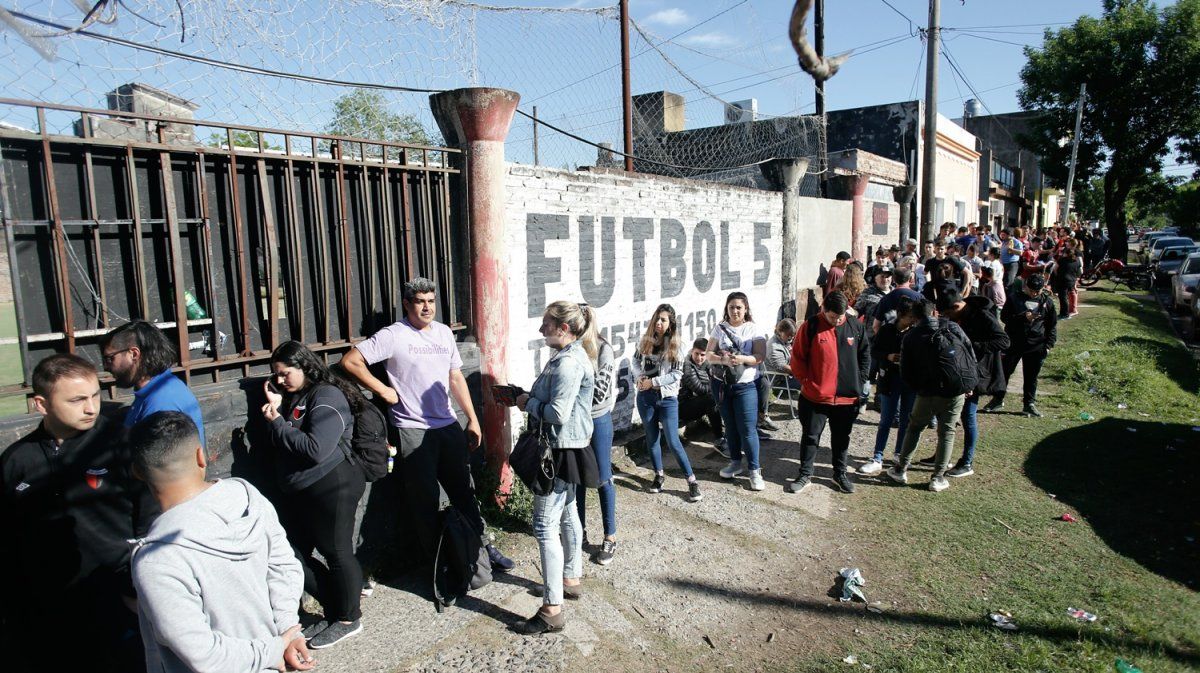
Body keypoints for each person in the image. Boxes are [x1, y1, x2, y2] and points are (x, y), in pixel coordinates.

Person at [340, 278, 512, 572]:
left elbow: (455, 377)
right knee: (424, 501)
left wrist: (471, 418)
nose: (427, 307)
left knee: (463, 492)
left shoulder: (444, 333)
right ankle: (437, 563)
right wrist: (383, 390)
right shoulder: (393, 335)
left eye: (431, 301)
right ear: (407, 304)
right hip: (412, 430)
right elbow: (351, 362)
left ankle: (482, 546)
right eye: (420, 301)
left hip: (447, 425)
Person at [0, 354, 156, 672]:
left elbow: (152, 517)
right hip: (49, 611)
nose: (91, 407)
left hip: (119, 602)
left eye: (95, 396)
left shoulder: (120, 446)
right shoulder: (17, 461)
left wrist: (138, 585)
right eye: (77, 399)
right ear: (41, 404)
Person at [128, 412, 314, 673]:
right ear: (200, 456)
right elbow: (285, 566)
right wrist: (286, 631)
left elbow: (204, 656)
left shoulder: (156, 558)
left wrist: (275, 647)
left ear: (137, 471)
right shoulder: (247, 498)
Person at [261, 341, 365, 649]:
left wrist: (277, 422)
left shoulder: (326, 395)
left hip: (333, 483)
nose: (280, 380)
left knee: (337, 552)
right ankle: (336, 607)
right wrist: (279, 409)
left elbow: (316, 449)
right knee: (292, 553)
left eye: (285, 373)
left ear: (305, 366)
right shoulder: (297, 397)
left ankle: (349, 618)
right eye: (275, 375)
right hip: (304, 489)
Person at [514, 301, 599, 635]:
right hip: (569, 449)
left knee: (543, 525)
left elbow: (558, 413)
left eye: (547, 323)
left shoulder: (568, 363)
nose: (541, 329)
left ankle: (551, 609)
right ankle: (570, 578)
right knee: (567, 515)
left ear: (564, 328)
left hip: (559, 452)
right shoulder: (570, 356)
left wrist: (526, 402)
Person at [885, 299, 977, 492]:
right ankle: (938, 477)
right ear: (934, 312)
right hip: (954, 391)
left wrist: (917, 388)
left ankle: (901, 469)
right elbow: (969, 354)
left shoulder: (911, 337)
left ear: (915, 317)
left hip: (926, 392)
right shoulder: (952, 327)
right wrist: (968, 383)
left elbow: (906, 370)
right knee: (947, 432)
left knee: (915, 427)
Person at [788, 291, 869, 494]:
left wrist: (859, 382)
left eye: (840, 317)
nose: (837, 320)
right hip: (815, 398)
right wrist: (807, 382)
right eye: (833, 317)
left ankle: (840, 474)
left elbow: (865, 355)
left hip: (846, 399)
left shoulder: (856, 326)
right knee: (810, 437)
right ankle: (805, 474)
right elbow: (797, 358)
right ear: (824, 309)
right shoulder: (811, 326)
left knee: (841, 439)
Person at [932, 290, 1009, 478]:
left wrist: (971, 346)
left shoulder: (982, 315)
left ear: (956, 306)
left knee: (968, 416)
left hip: (977, 374)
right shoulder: (964, 313)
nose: (948, 318)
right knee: (948, 412)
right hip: (961, 370)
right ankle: (942, 455)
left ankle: (967, 462)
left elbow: (1003, 341)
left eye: (948, 314)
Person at [632, 304, 703, 502]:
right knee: (652, 437)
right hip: (646, 398)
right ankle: (658, 475)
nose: (659, 323)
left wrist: (652, 382)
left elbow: (677, 374)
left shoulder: (677, 345)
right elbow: (635, 361)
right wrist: (639, 378)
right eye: (657, 318)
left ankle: (691, 481)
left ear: (671, 323)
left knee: (673, 440)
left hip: (667, 399)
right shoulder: (646, 341)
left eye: (663, 320)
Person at [100, 320, 205, 446]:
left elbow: (159, 463)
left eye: (110, 358)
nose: (105, 367)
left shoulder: (161, 403)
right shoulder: (159, 388)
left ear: (133, 354)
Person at [707, 292, 768, 491]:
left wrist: (742, 359)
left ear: (746, 309)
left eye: (739, 307)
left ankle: (754, 470)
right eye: (731, 307)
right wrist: (722, 359)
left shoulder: (753, 329)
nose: (735, 311)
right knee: (730, 426)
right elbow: (708, 354)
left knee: (748, 429)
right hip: (722, 385)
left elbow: (760, 356)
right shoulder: (719, 328)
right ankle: (735, 462)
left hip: (745, 385)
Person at [858, 296, 918, 476]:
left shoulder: (915, 332)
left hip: (909, 382)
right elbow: (874, 351)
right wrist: (888, 357)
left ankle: (899, 454)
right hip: (889, 381)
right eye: (909, 317)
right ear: (900, 315)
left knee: (906, 421)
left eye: (914, 317)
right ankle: (877, 457)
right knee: (885, 420)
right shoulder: (886, 330)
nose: (912, 321)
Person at [983, 274, 1058, 417]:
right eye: (1032, 290)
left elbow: (1052, 325)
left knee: (1031, 376)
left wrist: (1048, 345)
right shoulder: (1014, 298)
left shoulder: (1047, 302)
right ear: (1026, 287)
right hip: (1014, 342)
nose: (1034, 293)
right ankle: (997, 399)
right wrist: (1023, 317)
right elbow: (1005, 318)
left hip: (1037, 345)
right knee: (1005, 372)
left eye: (1038, 291)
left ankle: (1029, 404)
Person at [579, 333, 618, 565]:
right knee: (578, 479)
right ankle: (579, 531)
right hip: (576, 421)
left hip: (598, 419)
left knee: (604, 478)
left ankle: (610, 536)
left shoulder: (603, 348)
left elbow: (600, 392)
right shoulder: (568, 347)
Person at [679, 338, 725, 455]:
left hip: (698, 401)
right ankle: (719, 438)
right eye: (696, 354)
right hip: (683, 406)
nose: (699, 358)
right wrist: (716, 385)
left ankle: (734, 431)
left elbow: (720, 377)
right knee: (711, 399)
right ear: (692, 351)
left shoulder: (708, 362)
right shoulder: (687, 367)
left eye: (702, 355)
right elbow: (700, 390)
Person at [871, 267, 922, 336]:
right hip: (913, 340)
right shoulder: (919, 297)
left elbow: (875, 326)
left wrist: (882, 341)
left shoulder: (886, 298)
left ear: (894, 280)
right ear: (910, 279)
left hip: (891, 340)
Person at [1053, 246, 1082, 319]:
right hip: (1072, 280)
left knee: (1063, 297)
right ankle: (1073, 309)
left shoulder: (1062, 260)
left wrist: (1058, 275)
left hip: (1063, 280)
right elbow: (1079, 271)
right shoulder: (1077, 260)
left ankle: (1064, 313)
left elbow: (1055, 269)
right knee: (1072, 294)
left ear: (1066, 253)